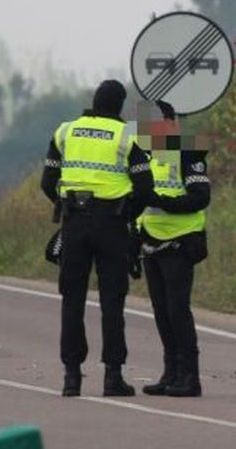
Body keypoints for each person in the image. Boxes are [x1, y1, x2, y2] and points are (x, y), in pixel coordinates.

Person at [41, 79, 155, 397]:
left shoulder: (65, 131)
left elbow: (48, 181)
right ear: (120, 106)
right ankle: (113, 377)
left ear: (94, 100)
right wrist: (127, 212)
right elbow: (146, 188)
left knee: (72, 300)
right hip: (111, 224)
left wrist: (66, 206)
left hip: (74, 222)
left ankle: (71, 376)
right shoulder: (126, 136)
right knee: (112, 302)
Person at [135, 101, 210, 397]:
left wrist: (160, 200)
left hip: (181, 241)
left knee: (178, 309)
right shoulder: (148, 155)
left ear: (169, 123)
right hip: (151, 242)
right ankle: (170, 372)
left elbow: (200, 197)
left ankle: (190, 376)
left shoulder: (189, 152)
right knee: (161, 310)